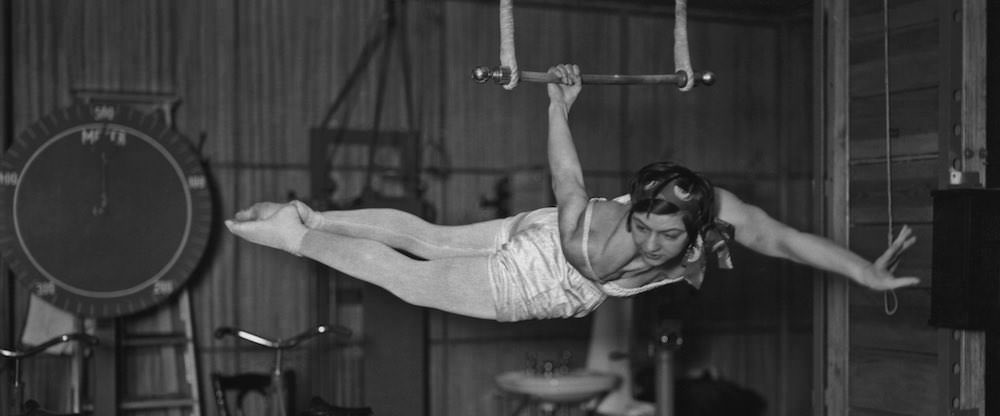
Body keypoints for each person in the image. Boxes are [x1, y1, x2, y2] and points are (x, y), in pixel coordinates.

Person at [226, 64, 918, 322]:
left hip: (548, 227)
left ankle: (308, 216)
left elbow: (784, 239)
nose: (650, 241)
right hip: (547, 265)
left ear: (697, 213)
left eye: (665, 235)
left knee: (427, 235)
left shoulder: (716, 208)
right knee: (414, 277)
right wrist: (558, 106)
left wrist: (862, 270)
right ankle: (301, 233)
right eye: (645, 227)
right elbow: (569, 182)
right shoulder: (600, 234)